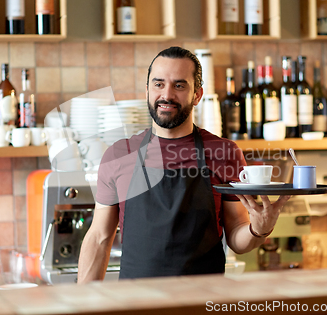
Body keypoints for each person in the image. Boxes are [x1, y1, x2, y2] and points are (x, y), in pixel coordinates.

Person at [77, 46, 290, 282]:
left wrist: (258, 230)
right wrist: (83, 303)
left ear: (197, 95)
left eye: (179, 85)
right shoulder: (119, 155)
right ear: (147, 90)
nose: (166, 95)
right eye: (158, 84)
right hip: (136, 304)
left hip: (201, 303)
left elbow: (237, 238)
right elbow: (99, 237)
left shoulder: (224, 153)